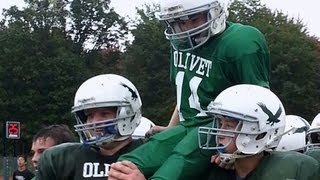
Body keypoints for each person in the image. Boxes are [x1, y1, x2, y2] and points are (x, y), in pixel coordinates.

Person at [110, 0, 270, 179]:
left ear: (215, 11)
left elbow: (260, 103)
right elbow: (189, 92)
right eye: (180, 22)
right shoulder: (180, 44)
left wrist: (240, 147)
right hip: (187, 127)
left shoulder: (239, 42)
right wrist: (172, 128)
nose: (187, 29)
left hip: (216, 128)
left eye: (194, 20)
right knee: (123, 166)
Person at [35, 74, 144, 179]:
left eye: (105, 114)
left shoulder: (150, 151)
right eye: (89, 115)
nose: (94, 122)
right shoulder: (61, 159)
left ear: (129, 114)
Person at [200, 84, 319, 180]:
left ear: (259, 133)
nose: (220, 134)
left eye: (229, 126)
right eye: (220, 124)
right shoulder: (215, 169)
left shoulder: (294, 168)